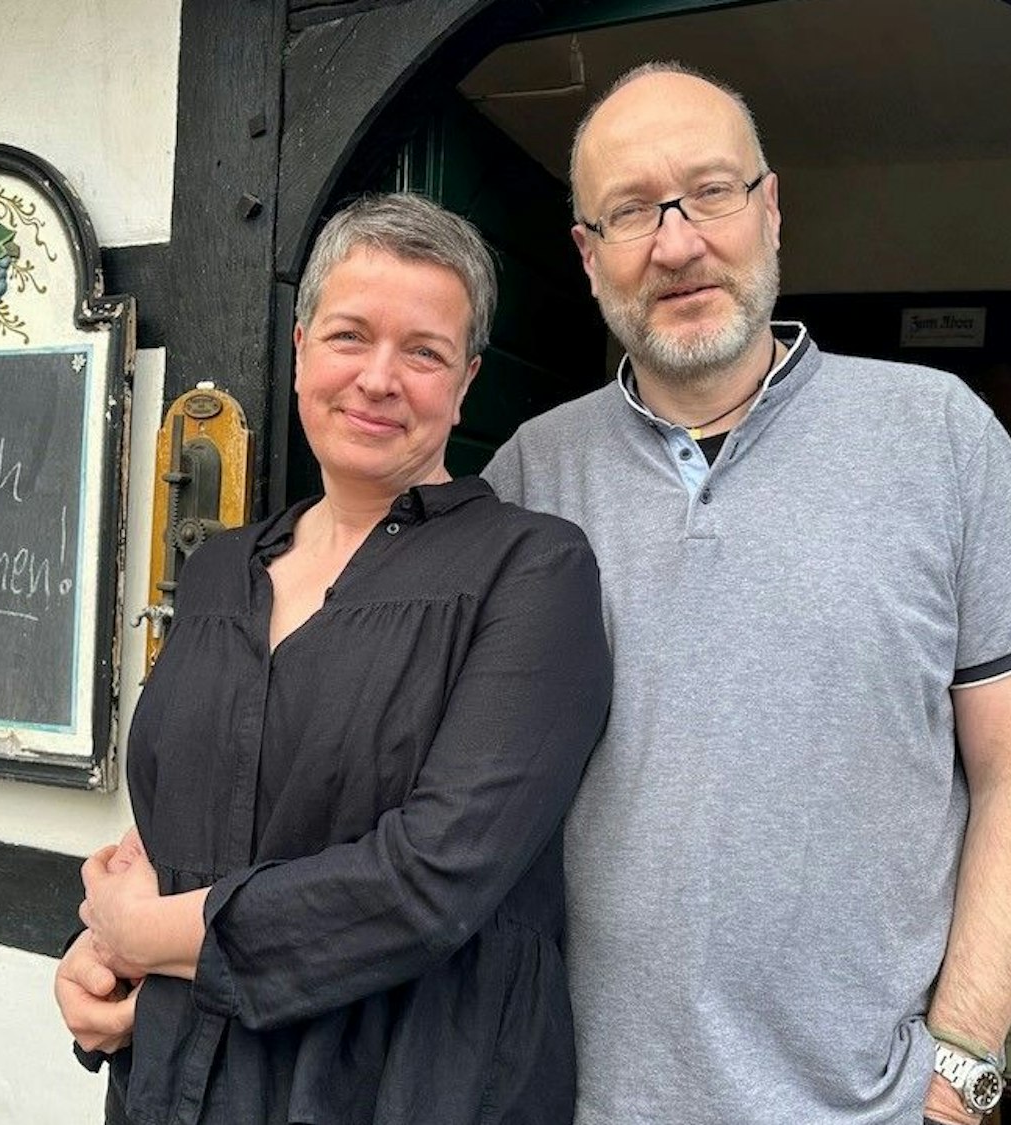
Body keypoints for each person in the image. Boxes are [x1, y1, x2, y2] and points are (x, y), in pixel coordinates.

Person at [479, 62, 1011, 1125]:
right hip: (580, 1104)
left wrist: (955, 1077)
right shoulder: (531, 474)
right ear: (586, 258)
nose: (675, 242)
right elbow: (405, 763)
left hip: (864, 1108)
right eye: (630, 210)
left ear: (769, 210)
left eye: (709, 191)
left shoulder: (935, 434)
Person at [54, 192, 612, 1124]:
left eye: (424, 351)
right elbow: (175, 816)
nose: (380, 378)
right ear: (303, 344)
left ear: (467, 379)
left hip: (408, 1086)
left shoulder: (533, 569)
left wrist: (146, 935)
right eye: (351, 335)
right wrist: (96, 960)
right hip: (182, 1083)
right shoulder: (224, 568)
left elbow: (429, 881)